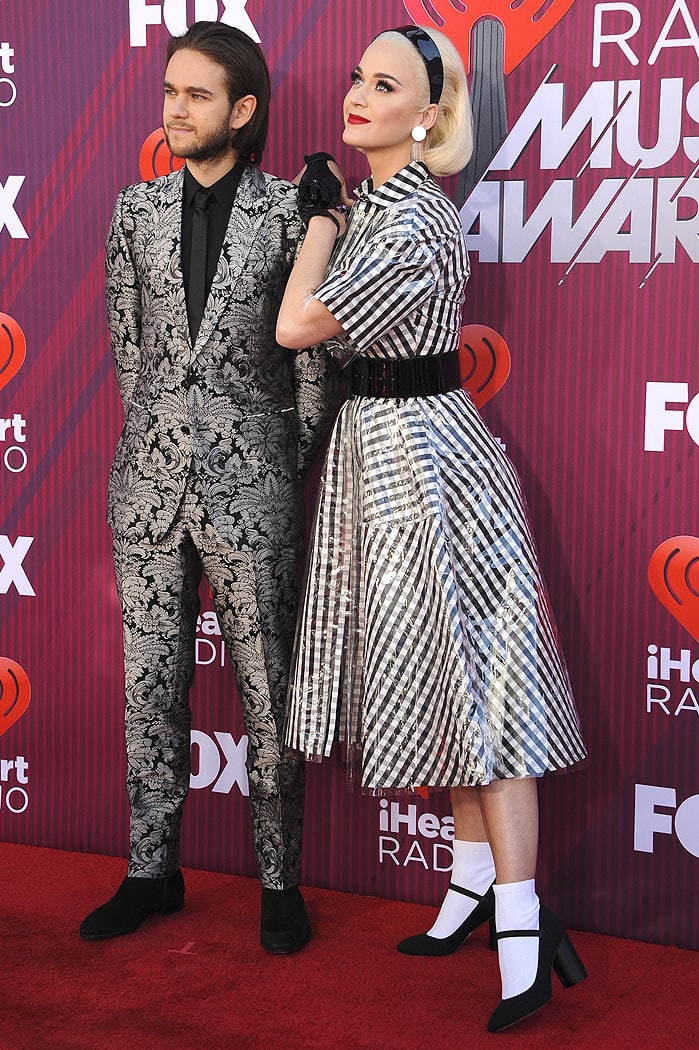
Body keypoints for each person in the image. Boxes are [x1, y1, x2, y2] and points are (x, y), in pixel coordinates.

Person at [276, 25, 588, 1029]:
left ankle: (522, 929)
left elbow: (297, 327)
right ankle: (465, 893)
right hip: (381, 451)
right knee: (443, 685)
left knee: (483, 696)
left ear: (429, 114)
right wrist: (339, 210)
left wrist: (316, 221)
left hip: (426, 463)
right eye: (357, 77)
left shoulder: (405, 221)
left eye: (386, 84)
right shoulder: (382, 207)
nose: (359, 94)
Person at [80, 21, 342, 955]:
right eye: (169, 92)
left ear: (244, 109)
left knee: (266, 691)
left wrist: (273, 461)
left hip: (255, 487)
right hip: (146, 488)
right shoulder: (133, 211)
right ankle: (152, 872)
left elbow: (315, 373)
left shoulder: (293, 214)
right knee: (150, 690)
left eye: (195, 96)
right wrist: (160, 441)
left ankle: (280, 880)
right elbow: (130, 352)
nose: (174, 111)